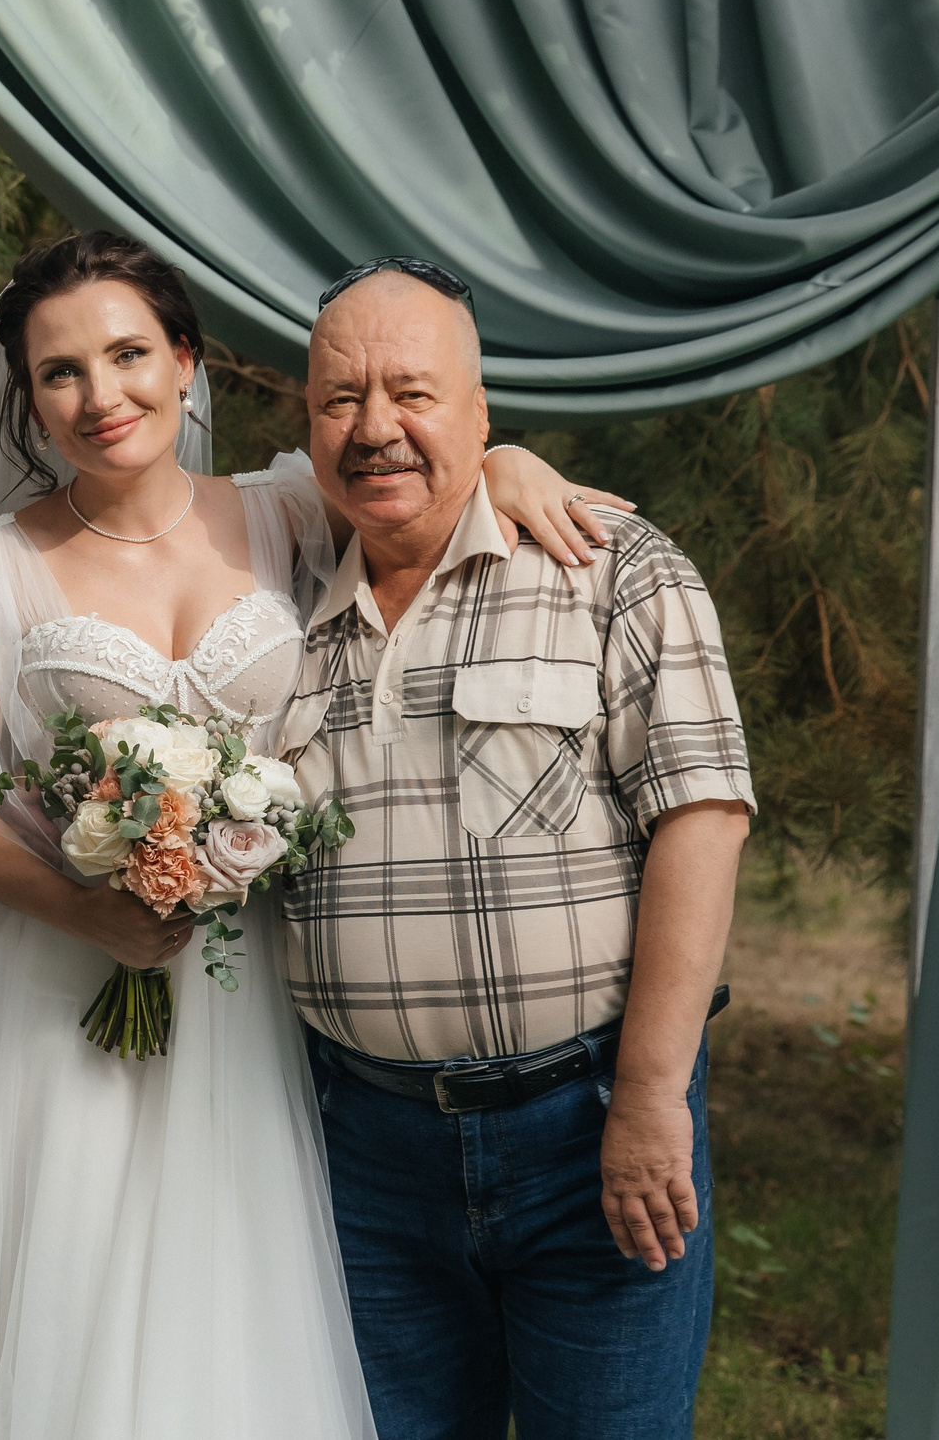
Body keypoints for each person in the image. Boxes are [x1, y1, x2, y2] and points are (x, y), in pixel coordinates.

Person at [0, 231, 621, 1440]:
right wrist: (97, 913)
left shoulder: (284, 507)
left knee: (229, 1317)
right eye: (59, 373)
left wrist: (508, 461)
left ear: (185, 361)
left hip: (245, 1003)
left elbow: (409, 473)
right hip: (59, 1000)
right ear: (27, 398)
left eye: (127, 355)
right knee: (57, 1308)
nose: (100, 395)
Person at [274, 258, 757, 1440]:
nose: (374, 428)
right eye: (339, 399)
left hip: (587, 1129)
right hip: (358, 1151)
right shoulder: (266, 588)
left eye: (413, 394)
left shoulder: (611, 568)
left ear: (483, 413)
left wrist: (649, 1100)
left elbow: (702, 820)